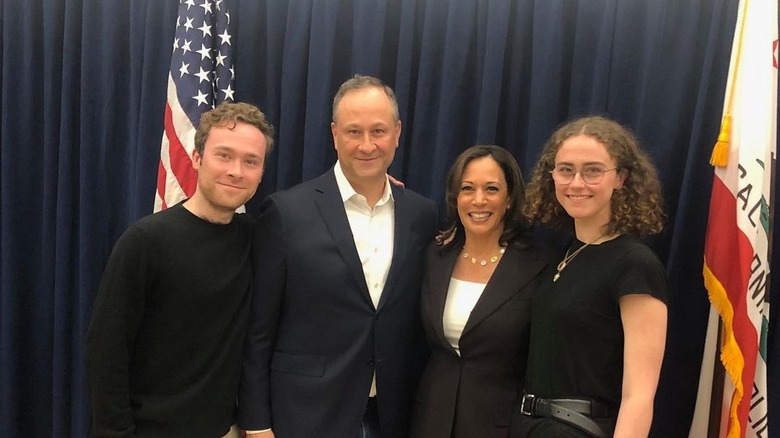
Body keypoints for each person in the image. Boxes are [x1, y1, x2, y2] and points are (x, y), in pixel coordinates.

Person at [238, 75, 438, 438]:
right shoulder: (286, 213)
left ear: (397, 132)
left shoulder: (422, 215)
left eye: (378, 131)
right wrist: (256, 422)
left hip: (394, 413)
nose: (366, 145)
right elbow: (258, 329)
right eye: (353, 131)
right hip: (306, 413)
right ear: (334, 134)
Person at [84, 102, 275, 438]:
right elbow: (106, 353)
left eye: (251, 161)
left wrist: (373, 186)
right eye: (224, 155)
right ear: (198, 159)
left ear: (261, 172)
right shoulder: (145, 241)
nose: (236, 171)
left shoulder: (258, 239)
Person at [511, 116, 668, 437]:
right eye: (566, 169)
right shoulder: (567, 253)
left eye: (593, 170)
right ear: (551, 175)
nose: (576, 183)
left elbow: (639, 396)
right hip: (529, 425)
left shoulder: (635, 264)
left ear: (621, 178)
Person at [409, 145, 554, 438]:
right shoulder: (435, 257)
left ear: (510, 198)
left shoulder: (539, 266)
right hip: (430, 421)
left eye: (491, 189)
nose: (478, 200)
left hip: (500, 426)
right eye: (467, 188)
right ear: (455, 197)